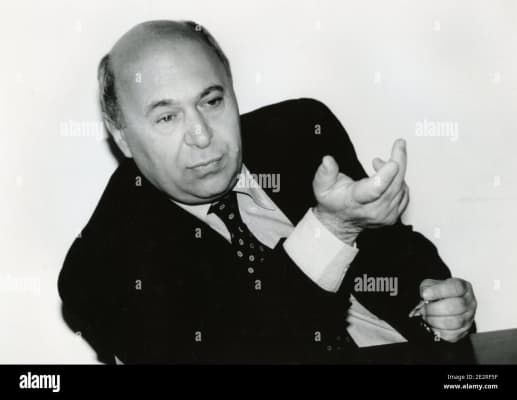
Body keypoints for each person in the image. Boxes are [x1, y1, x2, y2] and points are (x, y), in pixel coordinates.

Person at [58, 20, 477, 364]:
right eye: (167, 117)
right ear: (122, 136)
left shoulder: (301, 133)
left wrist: (441, 307)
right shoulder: (99, 268)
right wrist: (330, 231)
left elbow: (396, 254)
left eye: (211, 101)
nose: (201, 135)